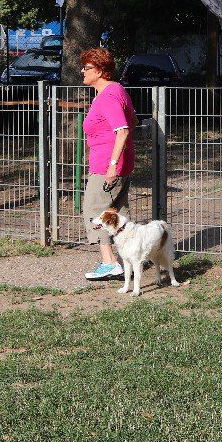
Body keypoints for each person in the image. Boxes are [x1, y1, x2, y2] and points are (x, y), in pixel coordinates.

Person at [80, 47, 137, 280]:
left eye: (87, 67)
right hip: (119, 162)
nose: (82, 71)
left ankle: (109, 263)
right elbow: (134, 120)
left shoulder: (107, 96)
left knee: (95, 211)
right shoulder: (117, 91)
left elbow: (123, 130)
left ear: (100, 71)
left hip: (107, 166)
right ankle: (131, 260)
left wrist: (112, 164)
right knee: (118, 213)